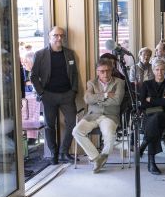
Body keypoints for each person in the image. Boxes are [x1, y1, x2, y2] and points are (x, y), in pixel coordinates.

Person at [30, 27, 80, 164]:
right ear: (49, 36)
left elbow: (74, 74)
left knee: (72, 123)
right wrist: (41, 92)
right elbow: (33, 76)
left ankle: (64, 152)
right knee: (49, 125)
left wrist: (74, 91)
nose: (59, 38)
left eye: (61, 36)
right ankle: (54, 153)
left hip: (67, 95)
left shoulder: (70, 54)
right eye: (55, 35)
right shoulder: (40, 54)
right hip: (48, 95)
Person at [73, 60, 124, 172]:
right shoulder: (92, 83)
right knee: (76, 131)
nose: (105, 74)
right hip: (93, 115)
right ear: (97, 72)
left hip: (110, 115)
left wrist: (96, 99)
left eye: (108, 71)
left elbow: (117, 101)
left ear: (112, 70)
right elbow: (87, 99)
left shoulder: (119, 82)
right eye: (102, 71)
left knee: (109, 135)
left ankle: (103, 156)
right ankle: (97, 158)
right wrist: (105, 95)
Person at [137, 59, 165, 175]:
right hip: (149, 115)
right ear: (153, 70)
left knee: (157, 118)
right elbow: (143, 104)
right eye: (157, 69)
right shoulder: (146, 84)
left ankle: (145, 143)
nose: (159, 72)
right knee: (154, 124)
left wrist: (151, 100)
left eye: (162, 69)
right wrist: (161, 100)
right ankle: (151, 162)